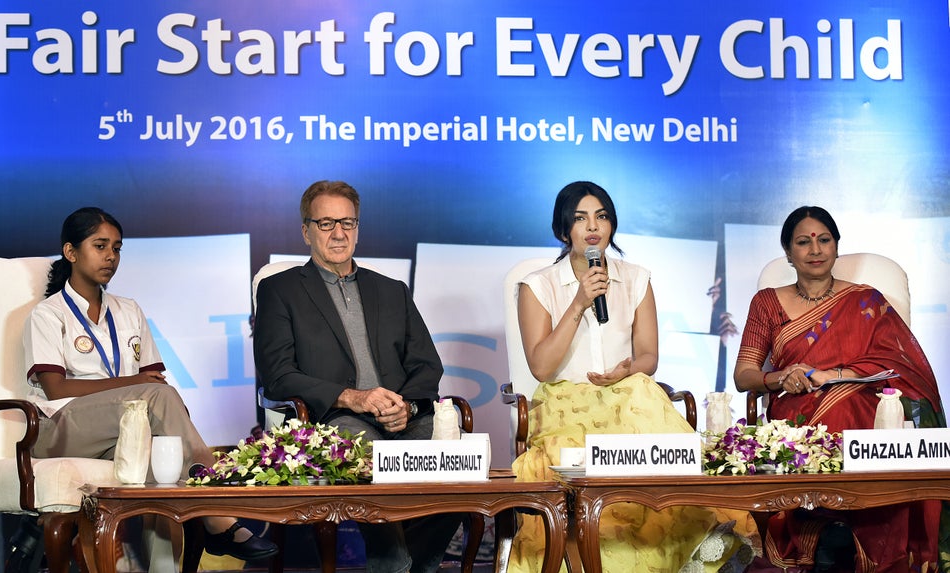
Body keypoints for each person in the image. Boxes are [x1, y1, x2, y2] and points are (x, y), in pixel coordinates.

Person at [507, 181, 758, 572]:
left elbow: (648, 357)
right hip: (564, 402)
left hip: (625, 397)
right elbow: (541, 367)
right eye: (580, 218)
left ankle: (682, 547)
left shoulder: (637, 278)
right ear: (562, 230)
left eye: (602, 216)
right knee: (575, 451)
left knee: (642, 389)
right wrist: (579, 302)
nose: (593, 226)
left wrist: (629, 369)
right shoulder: (539, 285)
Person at [23, 207, 278, 562]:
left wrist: (151, 397)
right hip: (60, 429)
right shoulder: (48, 314)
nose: (111, 256)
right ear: (71, 252)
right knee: (156, 395)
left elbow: (155, 386)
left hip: (121, 431)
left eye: (117, 248)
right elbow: (57, 390)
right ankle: (218, 506)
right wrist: (134, 382)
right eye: (100, 246)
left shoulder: (128, 310)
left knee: (165, 466)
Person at [252, 180, 461, 573]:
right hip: (332, 419)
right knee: (362, 449)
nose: (339, 233)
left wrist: (409, 405)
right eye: (327, 222)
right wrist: (351, 397)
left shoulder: (391, 290)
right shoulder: (280, 290)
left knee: (449, 455)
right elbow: (278, 375)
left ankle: (415, 564)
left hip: (402, 415)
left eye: (347, 222)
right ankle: (394, 564)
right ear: (306, 231)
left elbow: (426, 365)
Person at [734, 205, 946, 572]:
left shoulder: (867, 300)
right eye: (803, 242)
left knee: (846, 407)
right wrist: (780, 378)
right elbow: (744, 375)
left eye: (824, 240)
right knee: (827, 416)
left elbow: (900, 365)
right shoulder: (766, 302)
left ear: (836, 247)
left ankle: (853, 529)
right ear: (788, 252)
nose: (815, 249)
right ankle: (827, 529)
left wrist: (832, 374)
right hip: (795, 409)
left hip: (860, 402)